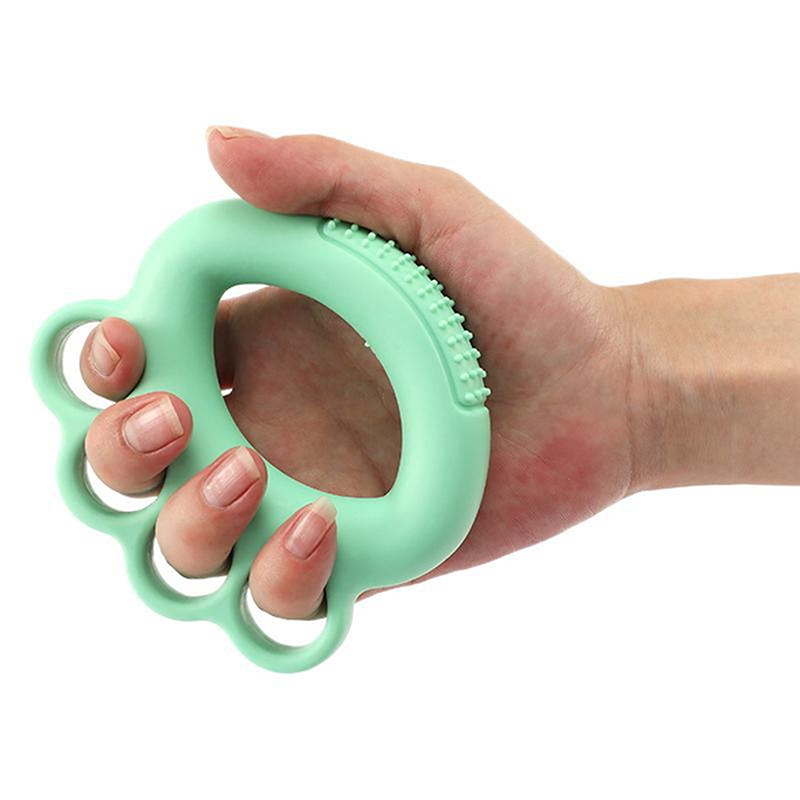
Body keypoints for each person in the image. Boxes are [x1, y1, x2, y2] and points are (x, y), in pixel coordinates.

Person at [80, 126, 800, 622]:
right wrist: (624, 387)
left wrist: (626, 384)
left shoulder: (194, 252)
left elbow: (200, 251)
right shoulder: (193, 255)